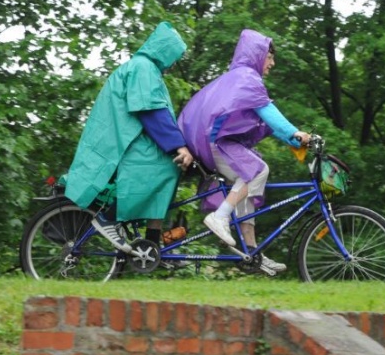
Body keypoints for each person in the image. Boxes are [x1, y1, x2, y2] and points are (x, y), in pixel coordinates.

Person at [178, 29, 310, 274]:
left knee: (248, 189)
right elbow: (269, 112)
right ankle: (220, 217)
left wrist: (295, 141)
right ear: (257, 54)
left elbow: (268, 123)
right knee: (258, 170)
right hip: (216, 142)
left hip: (216, 141)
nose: (272, 63)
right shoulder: (247, 78)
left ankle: (252, 254)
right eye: (270, 57)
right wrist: (295, 133)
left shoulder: (241, 79)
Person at [65, 21, 194, 252]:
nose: (173, 63)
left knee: (167, 170)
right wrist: (179, 146)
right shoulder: (143, 68)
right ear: (164, 51)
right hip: (129, 142)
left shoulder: (145, 69)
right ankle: (109, 219)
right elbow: (150, 111)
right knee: (162, 169)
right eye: (173, 56)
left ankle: (151, 247)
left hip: (129, 138)